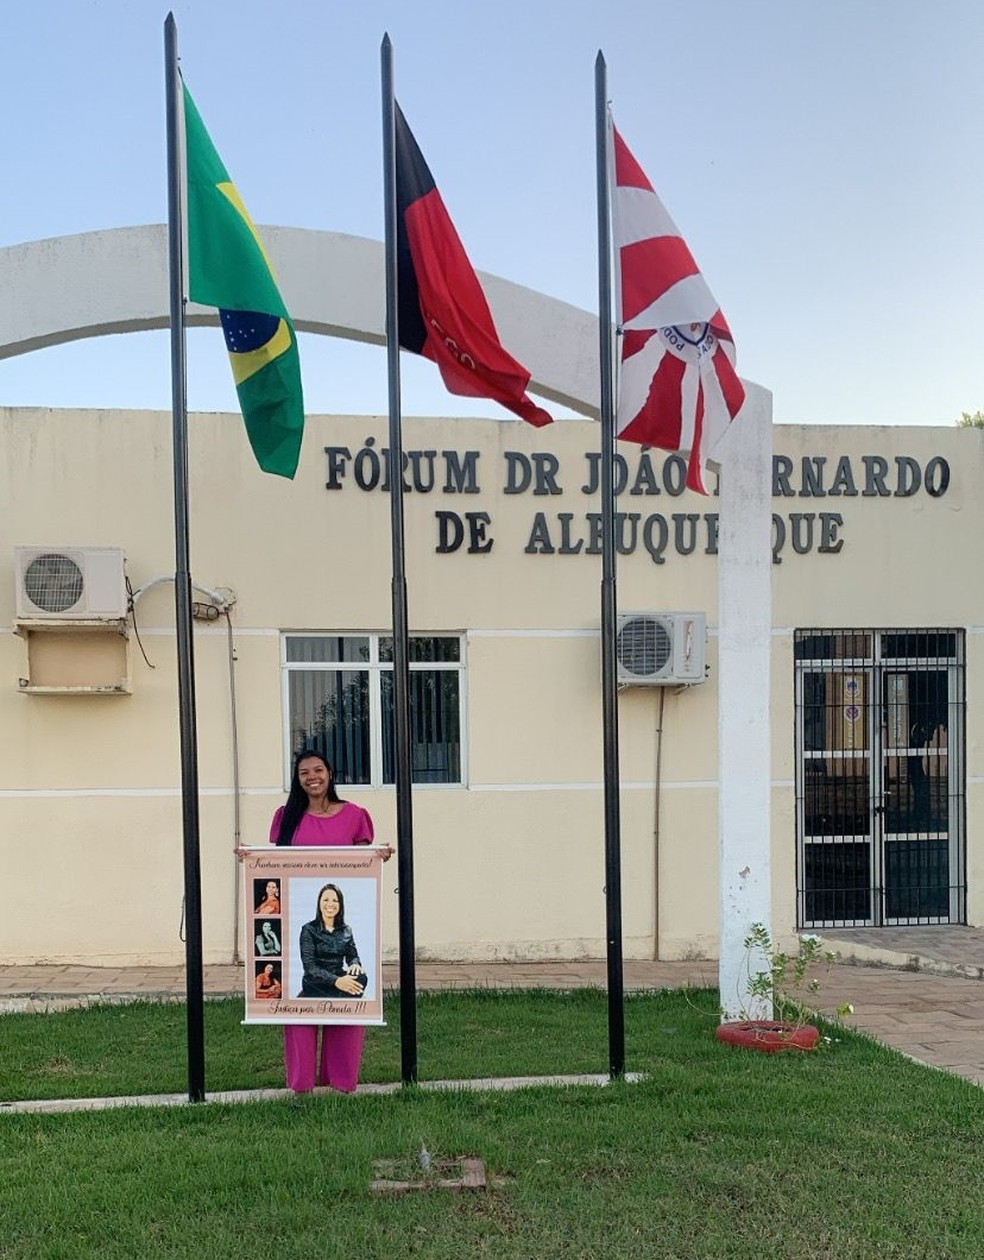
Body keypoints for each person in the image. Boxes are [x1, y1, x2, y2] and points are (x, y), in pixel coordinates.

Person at [269, 748, 393, 1095]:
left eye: (318, 770)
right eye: (304, 772)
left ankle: (342, 1081)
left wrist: (379, 855)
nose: (312, 777)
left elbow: (364, 865)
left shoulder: (355, 815)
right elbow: (273, 864)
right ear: (297, 780)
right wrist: (250, 859)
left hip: (340, 955)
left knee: (352, 1003)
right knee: (299, 1010)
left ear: (330, 773)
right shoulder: (285, 816)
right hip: (299, 934)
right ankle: (302, 1085)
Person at [299, 883, 366, 998]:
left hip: (338, 975)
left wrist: (355, 964)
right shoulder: (308, 929)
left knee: (362, 977)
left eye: (335, 900)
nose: (330, 904)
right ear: (319, 903)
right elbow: (310, 966)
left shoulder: (346, 930)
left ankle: (340, 996)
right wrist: (336, 981)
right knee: (348, 991)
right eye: (326, 900)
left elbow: (353, 956)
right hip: (316, 981)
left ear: (340, 904)